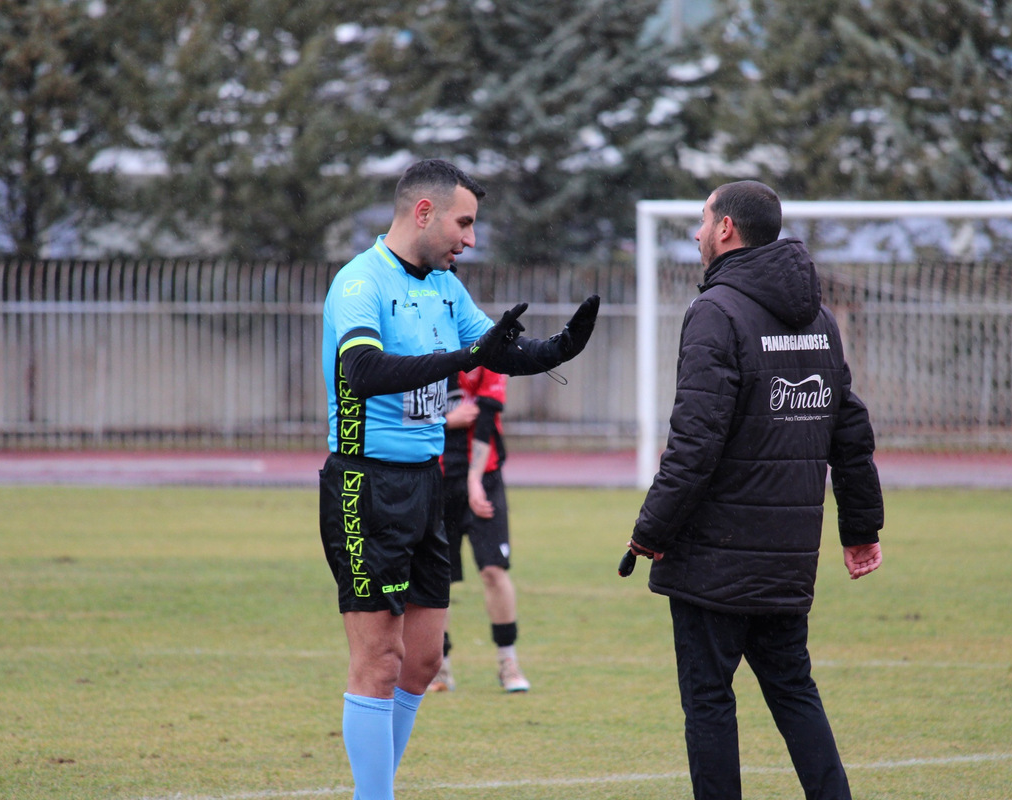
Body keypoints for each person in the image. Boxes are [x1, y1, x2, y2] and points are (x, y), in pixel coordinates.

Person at [319, 158, 599, 800]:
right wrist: (466, 356)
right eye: (464, 223)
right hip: (365, 486)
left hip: (428, 485)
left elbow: (495, 351)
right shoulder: (359, 281)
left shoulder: (446, 286)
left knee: (421, 662)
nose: (470, 239)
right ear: (424, 212)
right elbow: (363, 371)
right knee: (379, 662)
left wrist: (559, 348)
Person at [624, 180, 885, 800]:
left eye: (702, 219)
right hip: (787, 555)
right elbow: (849, 429)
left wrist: (650, 531)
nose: (696, 233)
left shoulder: (716, 312)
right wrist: (860, 528)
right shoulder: (819, 317)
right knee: (794, 690)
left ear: (726, 229)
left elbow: (695, 442)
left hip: (713, 557)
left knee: (709, 700)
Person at [429, 367, 530, 693]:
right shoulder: (426, 356)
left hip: (484, 477)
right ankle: (438, 667)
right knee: (437, 575)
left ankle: (508, 663)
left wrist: (474, 480)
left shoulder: (487, 359)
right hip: (435, 478)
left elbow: (484, 420)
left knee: (493, 570)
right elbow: (406, 419)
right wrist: (447, 420)